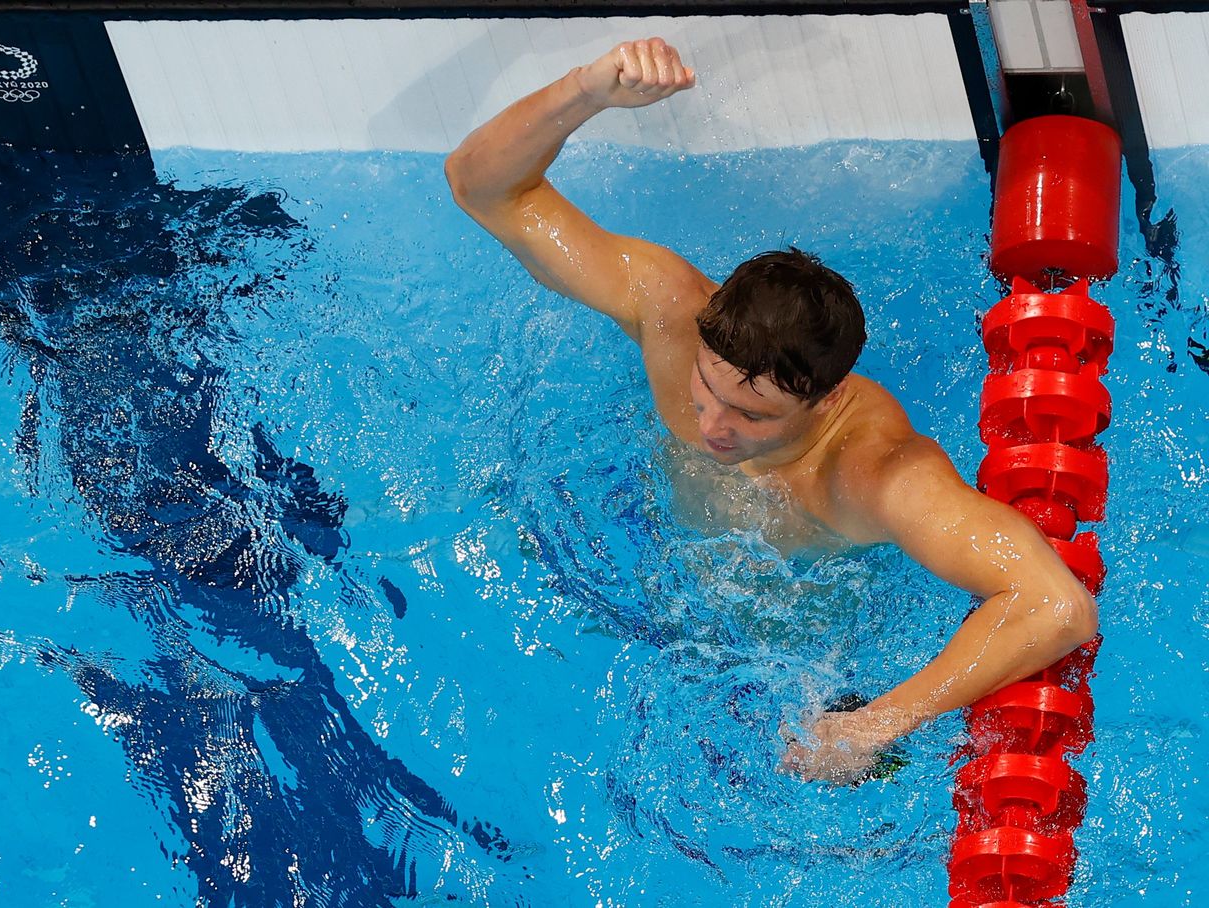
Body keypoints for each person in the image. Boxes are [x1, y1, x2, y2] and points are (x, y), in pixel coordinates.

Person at [444, 37, 1098, 785]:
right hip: (644, 561)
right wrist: (585, 91)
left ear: (827, 399)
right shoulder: (669, 312)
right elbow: (481, 186)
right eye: (706, 387)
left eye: (753, 416)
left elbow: (1055, 607)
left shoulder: (874, 472)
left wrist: (873, 724)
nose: (714, 425)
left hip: (794, 650)